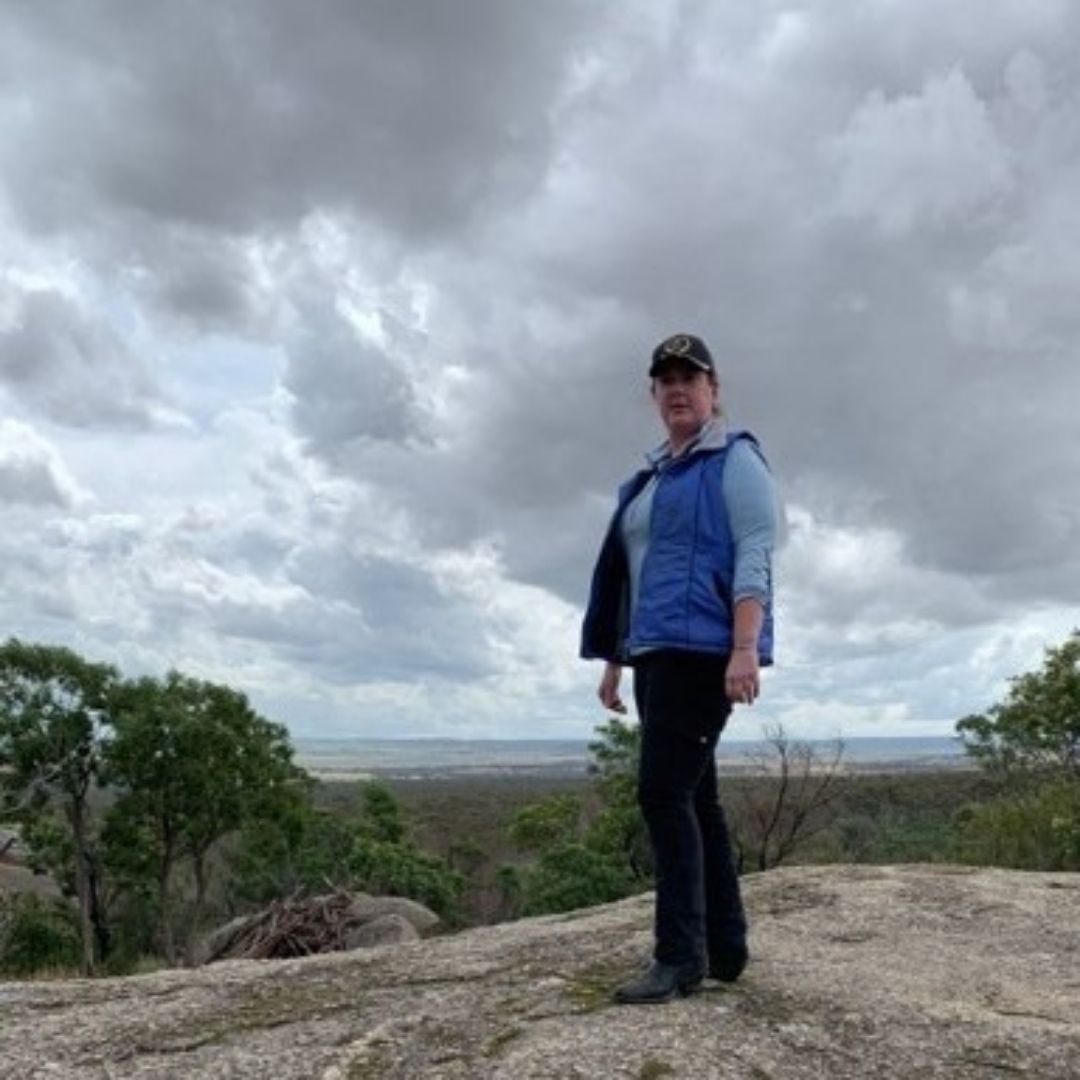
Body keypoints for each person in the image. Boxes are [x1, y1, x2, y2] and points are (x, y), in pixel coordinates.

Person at [580, 332, 778, 1005]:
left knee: (662, 795)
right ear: (653, 394)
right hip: (654, 651)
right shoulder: (652, 476)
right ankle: (725, 948)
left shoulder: (735, 460)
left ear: (714, 390)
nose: (677, 389)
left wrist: (745, 646)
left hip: (703, 652)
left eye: (690, 378)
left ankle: (679, 958)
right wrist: (615, 657)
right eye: (665, 380)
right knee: (697, 797)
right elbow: (635, 575)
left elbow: (756, 550)